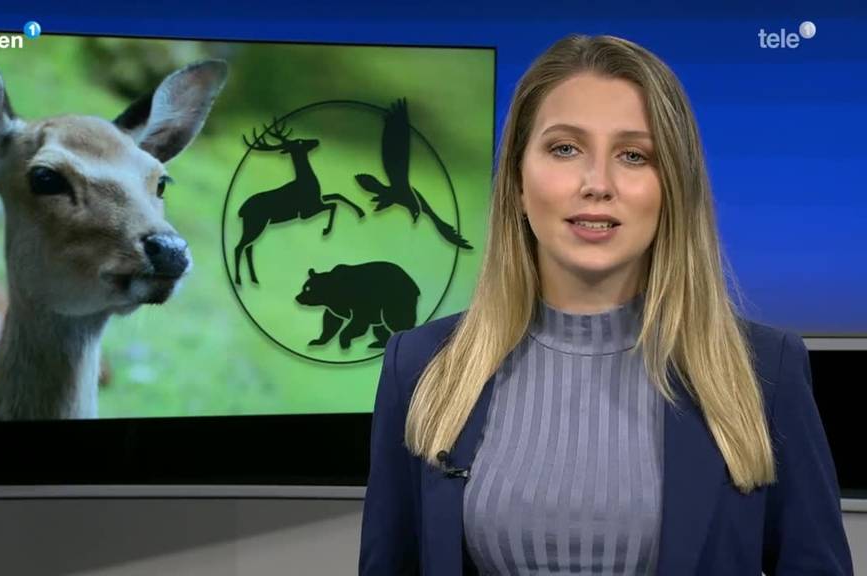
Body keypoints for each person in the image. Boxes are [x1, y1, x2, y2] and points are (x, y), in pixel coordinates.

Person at [358, 34, 853, 576]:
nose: (597, 184)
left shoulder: (765, 371)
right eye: (565, 148)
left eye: (634, 155)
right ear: (518, 184)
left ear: (673, 190)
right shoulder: (421, 366)